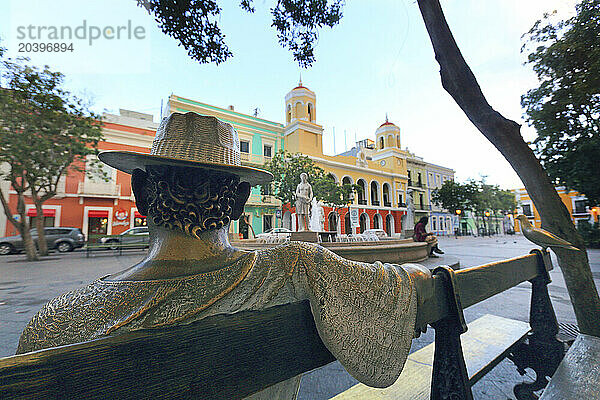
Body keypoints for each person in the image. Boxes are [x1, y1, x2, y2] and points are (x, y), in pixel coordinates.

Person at [17, 112, 431, 397]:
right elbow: (412, 284)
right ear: (238, 202)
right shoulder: (299, 266)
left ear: (141, 194)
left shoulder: (55, 327)